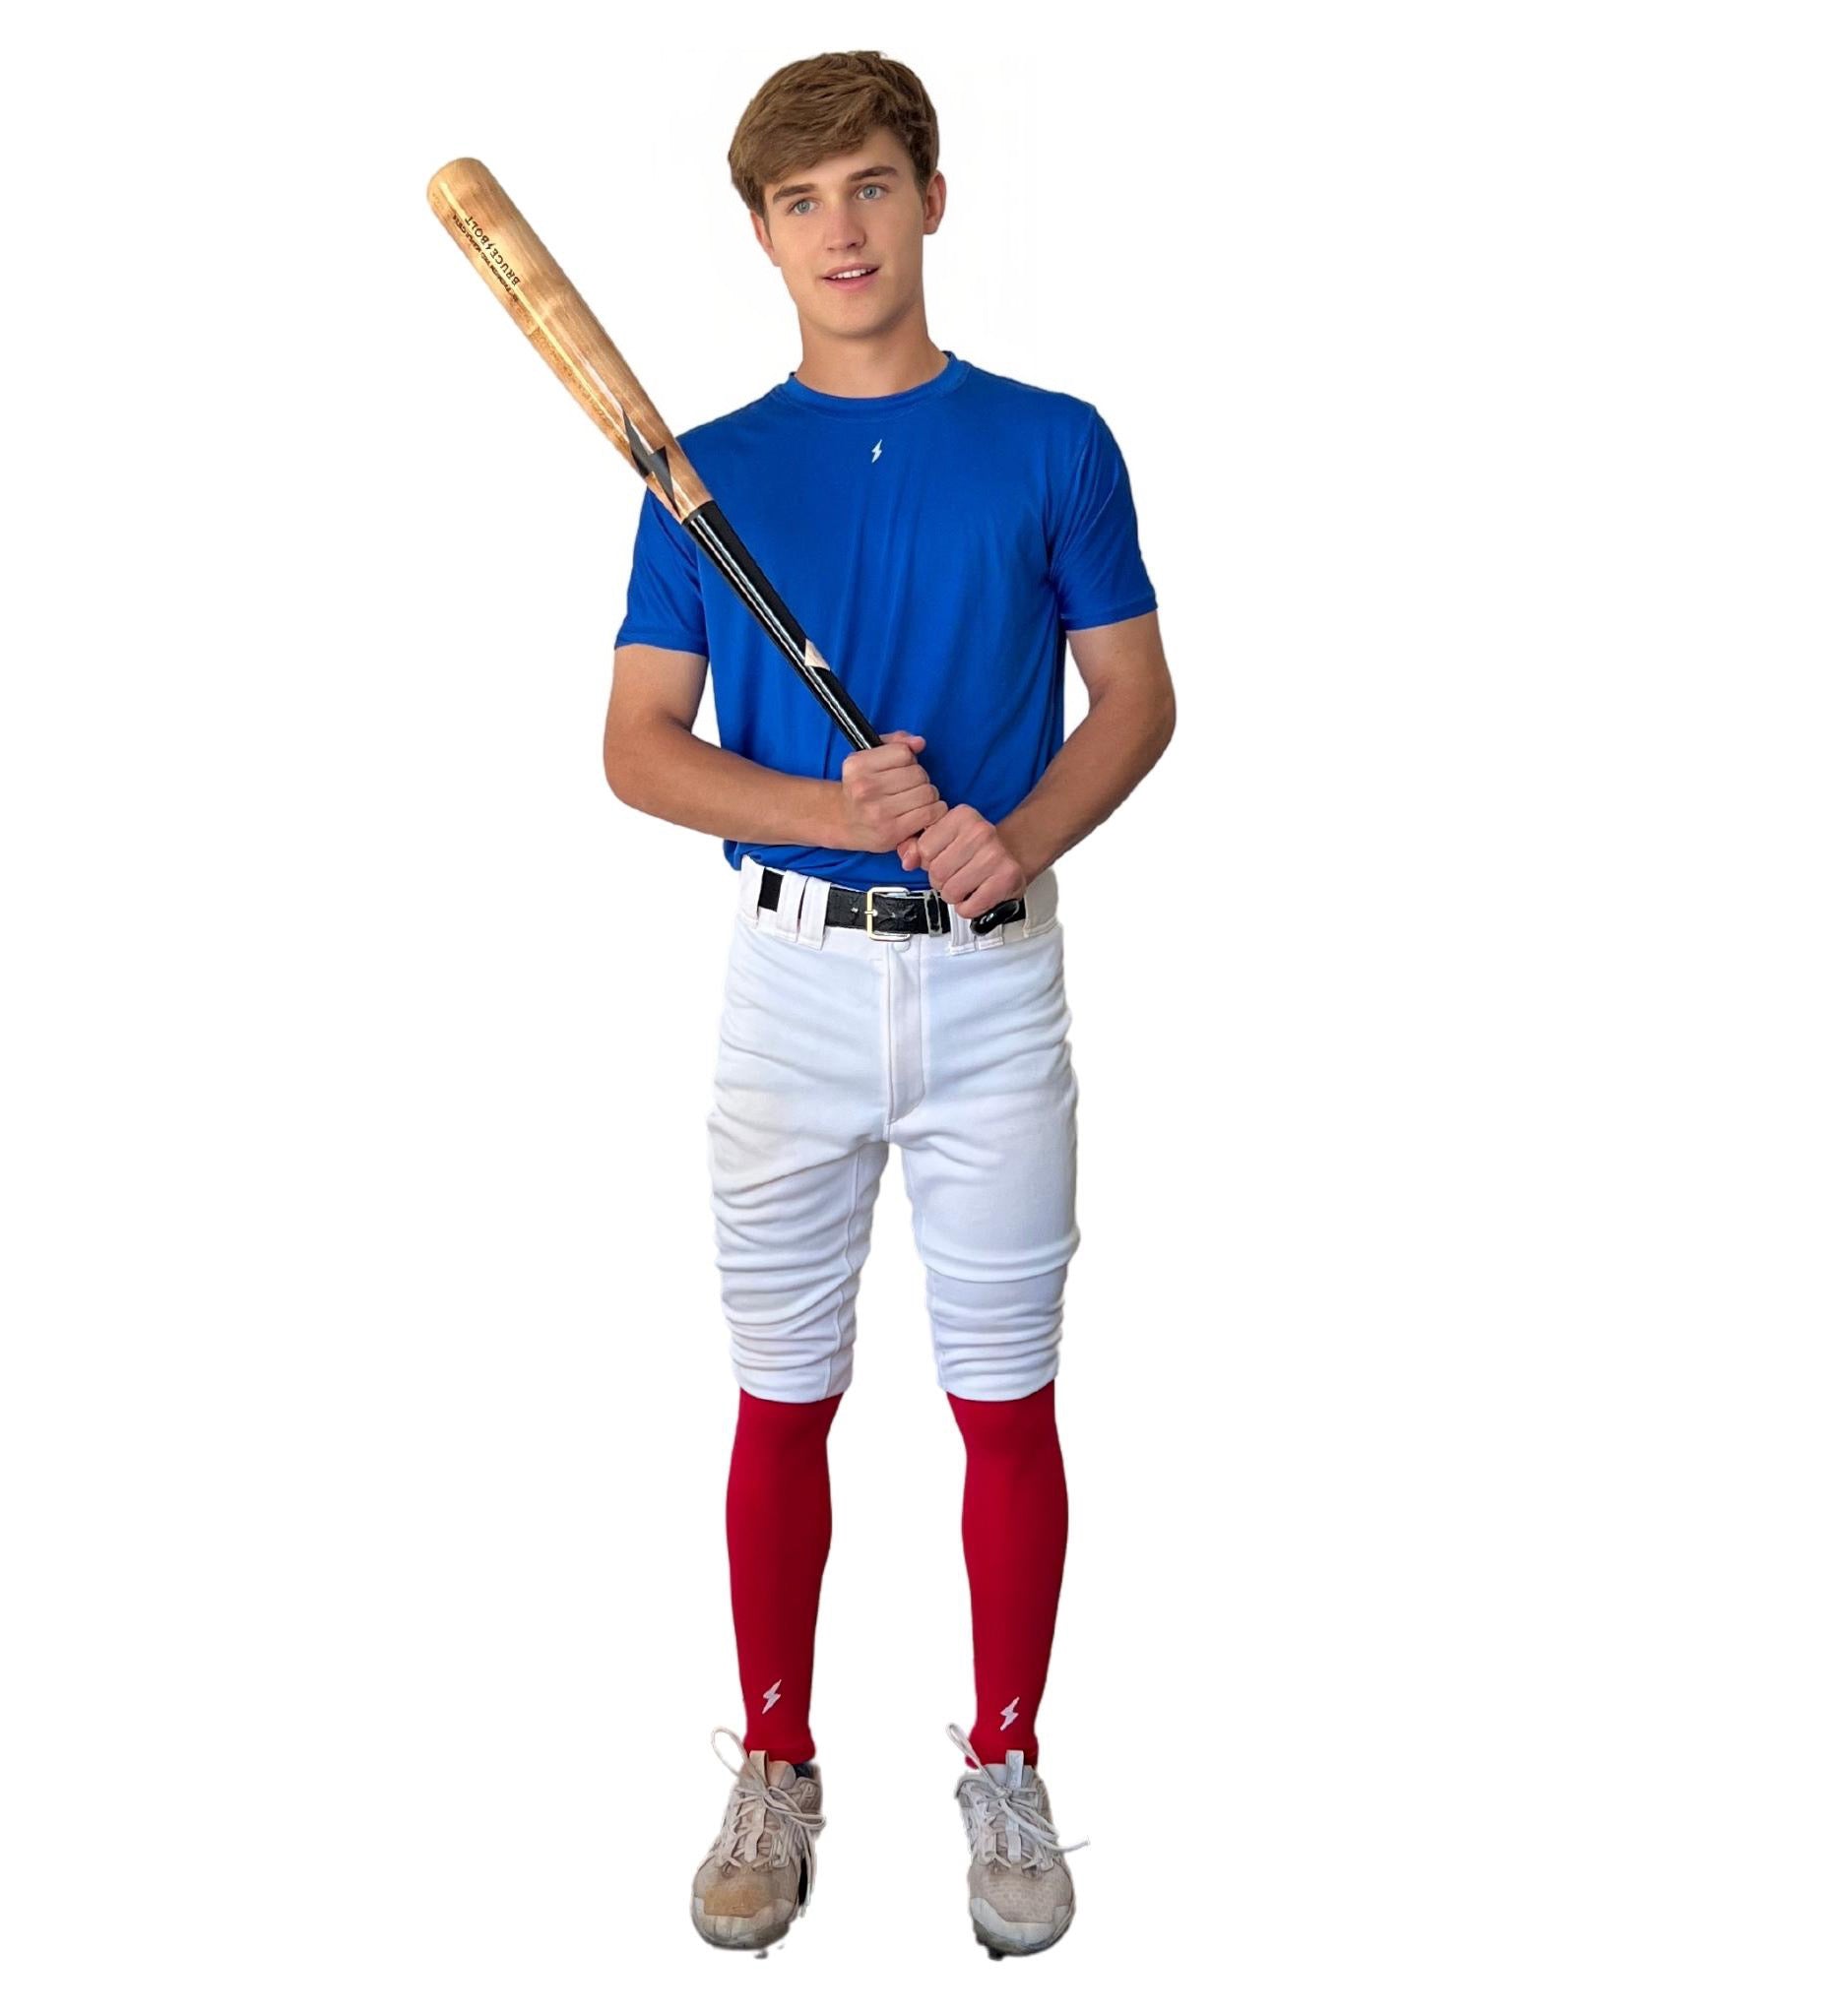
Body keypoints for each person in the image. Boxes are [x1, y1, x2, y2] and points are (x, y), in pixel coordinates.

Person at [605, 49, 1174, 1959]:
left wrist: (1014, 835)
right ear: (762, 236)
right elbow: (639, 746)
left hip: (992, 988)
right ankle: (776, 1759)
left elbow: (1135, 698)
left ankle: (1005, 1759)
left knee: (1005, 1396)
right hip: (789, 989)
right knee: (783, 1394)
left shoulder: (1052, 442)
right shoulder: (703, 471)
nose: (838, 229)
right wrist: (828, 808)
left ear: (931, 198)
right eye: (798, 201)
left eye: (867, 185)